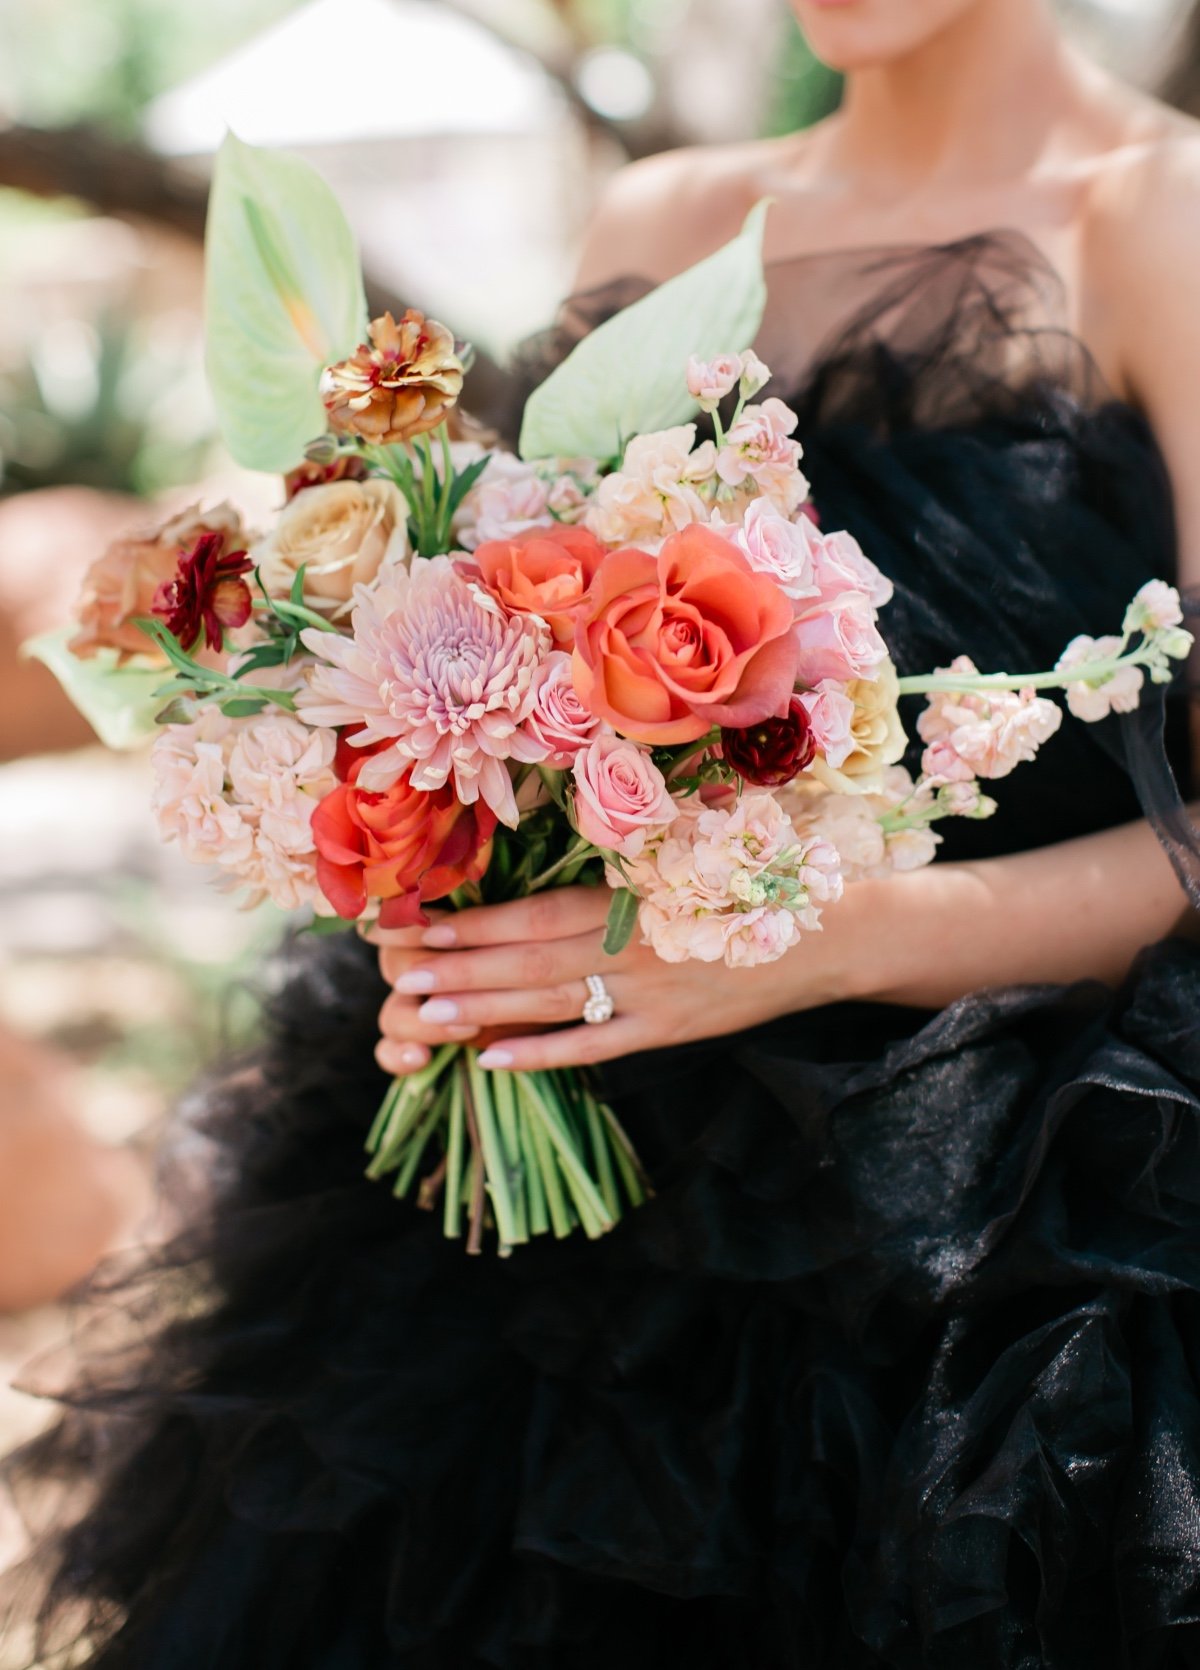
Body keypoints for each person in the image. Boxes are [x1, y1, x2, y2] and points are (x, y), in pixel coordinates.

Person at [3, 0, 1199, 1664]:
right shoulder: (659, 224)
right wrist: (428, 848)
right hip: (571, 1210)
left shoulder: (1161, 218)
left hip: (1004, 1237)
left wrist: (813, 937)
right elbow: (513, 624)